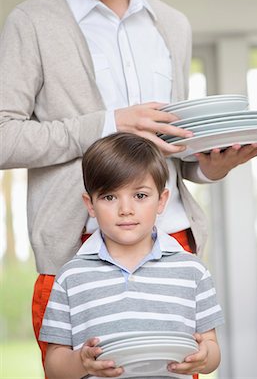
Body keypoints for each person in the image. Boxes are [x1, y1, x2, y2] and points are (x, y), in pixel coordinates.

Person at [0, 0, 257, 368]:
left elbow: (173, 150)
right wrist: (109, 122)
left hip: (172, 238)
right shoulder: (31, 22)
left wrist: (211, 167)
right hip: (75, 244)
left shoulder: (172, 24)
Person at [39, 132, 225, 379]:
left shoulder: (193, 272)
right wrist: (81, 362)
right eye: (109, 197)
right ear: (90, 205)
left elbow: (211, 350)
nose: (126, 210)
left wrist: (204, 357)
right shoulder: (71, 277)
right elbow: (54, 367)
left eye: (140, 196)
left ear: (162, 200)